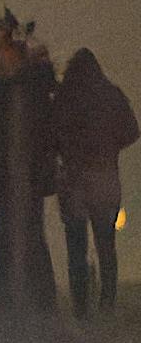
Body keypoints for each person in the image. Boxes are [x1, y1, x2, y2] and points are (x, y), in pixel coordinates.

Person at [0, 13, 57, 311]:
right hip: (10, 178)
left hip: (14, 178)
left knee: (19, 236)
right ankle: (22, 299)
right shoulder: (18, 89)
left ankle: (16, 300)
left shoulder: (14, 90)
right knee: (19, 235)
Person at [52, 48, 137, 320]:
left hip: (74, 179)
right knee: (106, 243)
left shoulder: (65, 98)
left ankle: (80, 306)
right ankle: (107, 301)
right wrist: (109, 147)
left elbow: (52, 136)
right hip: (104, 177)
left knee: (76, 244)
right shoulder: (111, 94)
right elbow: (132, 131)